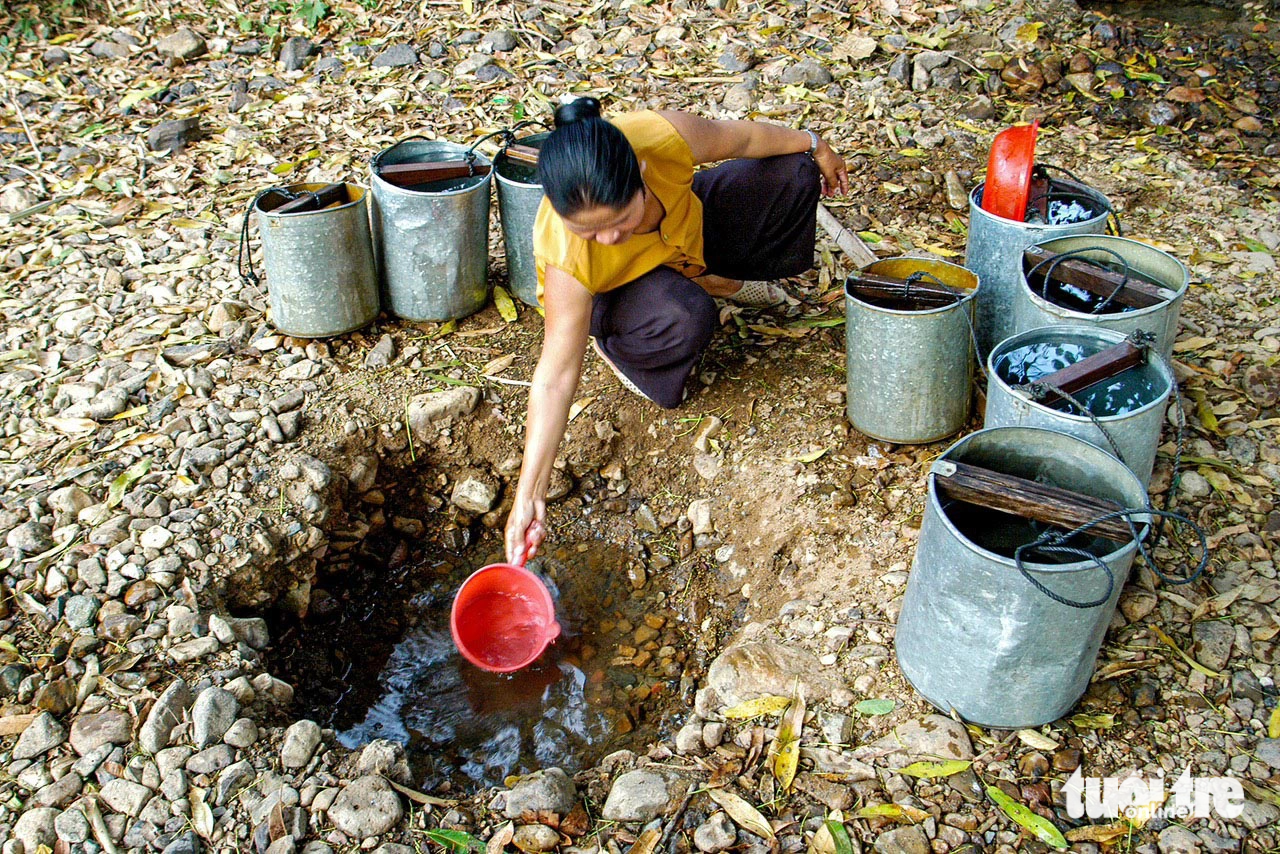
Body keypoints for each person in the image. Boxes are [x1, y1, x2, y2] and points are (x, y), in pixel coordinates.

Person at [503, 97, 849, 563]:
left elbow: (745, 138)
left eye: (618, 221)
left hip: (684, 239)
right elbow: (555, 375)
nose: (605, 238)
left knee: (792, 174)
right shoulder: (568, 254)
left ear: (642, 172)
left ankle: (709, 278)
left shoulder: (660, 138)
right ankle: (630, 346)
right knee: (685, 315)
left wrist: (816, 144)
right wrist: (530, 493)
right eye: (590, 232)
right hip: (614, 294)